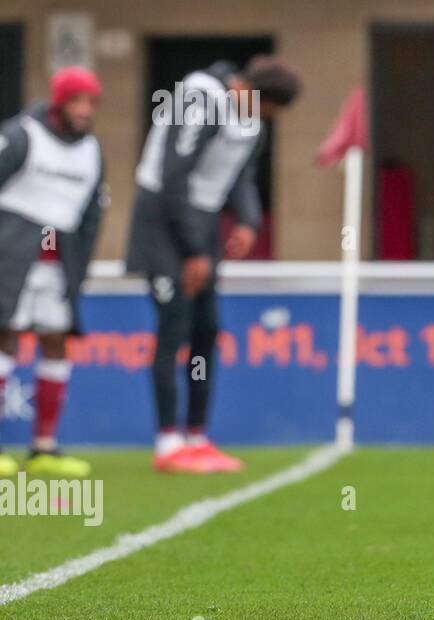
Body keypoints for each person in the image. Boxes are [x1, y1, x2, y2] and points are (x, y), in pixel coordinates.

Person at [126, 56, 300, 474]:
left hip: (200, 224)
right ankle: (167, 442)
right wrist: (193, 252)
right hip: (164, 221)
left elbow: (238, 177)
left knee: (206, 330)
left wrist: (247, 220)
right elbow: (173, 175)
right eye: (268, 109)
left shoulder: (251, 122)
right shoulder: (201, 96)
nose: (264, 118)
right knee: (174, 328)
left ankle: (197, 436)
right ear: (255, 93)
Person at [0, 67, 105, 478]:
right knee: (5, 339)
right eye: (76, 100)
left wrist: (82, 264)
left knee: (56, 342)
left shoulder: (92, 150)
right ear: (59, 102)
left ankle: (45, 447)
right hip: (12, 258)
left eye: (91, 103)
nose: (84, 110)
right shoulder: (20, 135)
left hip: (59, 264)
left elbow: (93, 212)